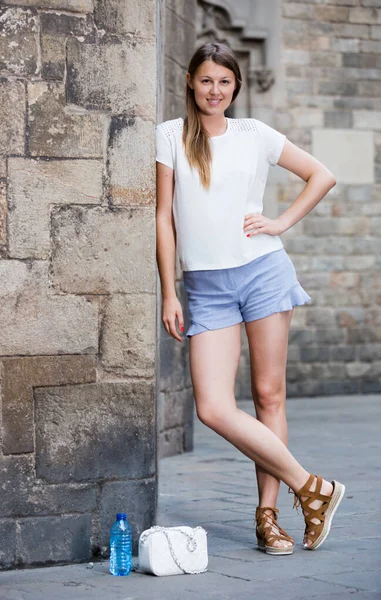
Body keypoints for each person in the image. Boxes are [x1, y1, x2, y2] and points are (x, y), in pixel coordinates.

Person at [155, 42, 345, 556]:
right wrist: (169, 291)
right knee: (214, 407)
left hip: (263, 271)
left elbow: (321, 175)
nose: (215, 91)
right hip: (207, 286)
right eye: (206, 81)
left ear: (235, 87)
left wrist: (280, 221)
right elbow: (163, 218)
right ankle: (313, 488)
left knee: (269, 397)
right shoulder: (170, 136)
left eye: (224, 82)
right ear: (191, 83)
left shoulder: (255, 134)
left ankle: (269, 516)